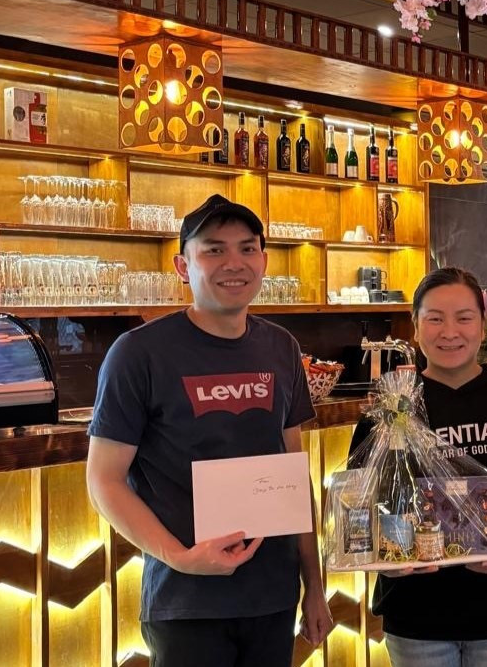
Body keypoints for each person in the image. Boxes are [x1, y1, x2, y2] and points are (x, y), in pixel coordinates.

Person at [86, 194, 334, 666]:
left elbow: (293, 476)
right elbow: (104, 481)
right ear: (183, 266)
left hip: (273, 597)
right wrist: (180, 558)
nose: (233, 263)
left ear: (264, 261)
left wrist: (315, 586)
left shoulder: (281, 348)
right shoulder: (138, 353)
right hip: (187, 602)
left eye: (247, 248)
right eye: (214, 250)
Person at [349, 267, 487, 667]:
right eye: (435, 318)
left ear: (482, 324)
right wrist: (386, 560)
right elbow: (361, 505)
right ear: (415, 326)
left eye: (464, 318)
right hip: (415, 614)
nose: (450, 332)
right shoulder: (391, 410)